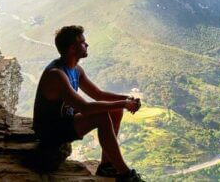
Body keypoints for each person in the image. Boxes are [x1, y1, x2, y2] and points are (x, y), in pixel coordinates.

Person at [32, 25, 143, 181]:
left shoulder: (76, 69)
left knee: (115, 110)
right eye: (83, 42)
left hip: (65, 120)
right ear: (72, 48)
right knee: (102, 117)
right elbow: (84, 107)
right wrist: (123, 103)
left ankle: (107, 166)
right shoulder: (56, 75)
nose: (87, 45)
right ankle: (126, 175)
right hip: (51, 131)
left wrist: (126, 99)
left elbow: (98, 94)